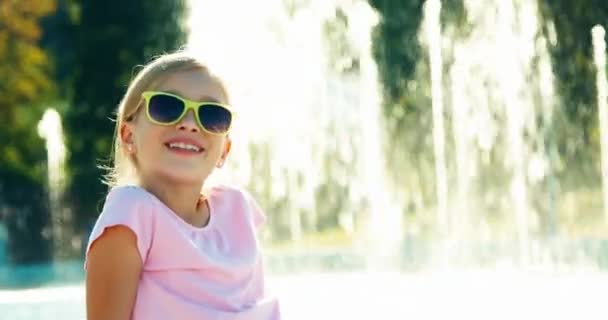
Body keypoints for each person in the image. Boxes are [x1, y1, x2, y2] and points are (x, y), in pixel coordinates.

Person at [84, 49, 280, 320]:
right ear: (129, 135)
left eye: (212, 115)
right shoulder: (132, 213)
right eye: (167, 107)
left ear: (225, 150)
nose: (189, 124)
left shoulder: (237, 210)